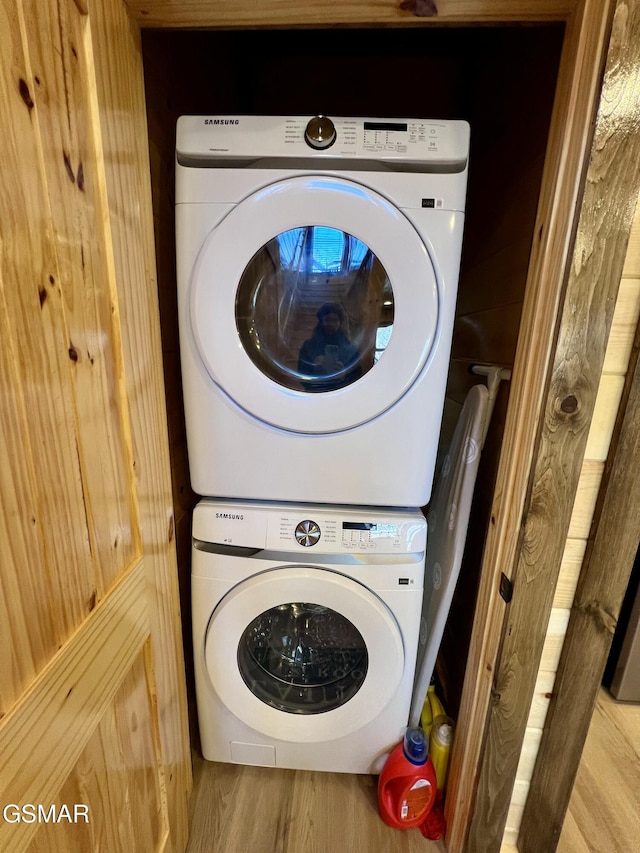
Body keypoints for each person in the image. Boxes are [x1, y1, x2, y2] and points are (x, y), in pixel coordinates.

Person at [298, 302, 362, 392]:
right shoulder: (308, 346)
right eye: (328, 320)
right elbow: (301, 377)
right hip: (315, 394)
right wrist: (314, 370)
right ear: (321, 322)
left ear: (340, 322)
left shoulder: (350, 349)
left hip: (342, 394)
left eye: (335, 320)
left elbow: (358, 378)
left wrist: (344, 375)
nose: (331, 324)